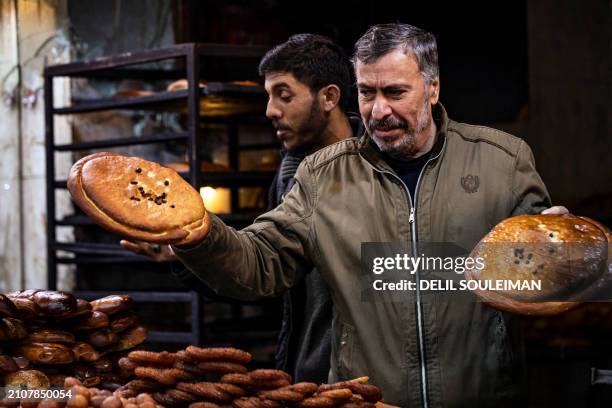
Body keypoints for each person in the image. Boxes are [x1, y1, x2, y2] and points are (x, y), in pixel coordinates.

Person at [143, 24, 568, 406]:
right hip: (367, 400)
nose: (378, 110)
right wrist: (195, 232)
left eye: (395, 93)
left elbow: (539, 268)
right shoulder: (322, 174)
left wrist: (560, 256)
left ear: (433, 88)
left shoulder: (504, 160)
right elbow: (259, 263)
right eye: (367, 92)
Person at [121, 34, 363, 384]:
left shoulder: (375, 172)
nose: (270, 111)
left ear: (329, 97)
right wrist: (186, 254)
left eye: (284, 95)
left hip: (361, 381)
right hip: (305, 375)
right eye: (268, 96)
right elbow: (265, 277)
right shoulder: (288, 178)